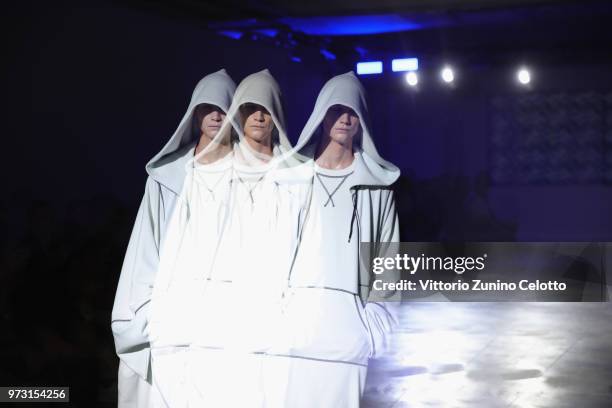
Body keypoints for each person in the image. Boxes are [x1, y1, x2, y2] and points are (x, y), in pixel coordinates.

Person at [265, 71, 401, 407]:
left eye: (353, 111)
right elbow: (270, 251)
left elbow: (388, 260)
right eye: (337, 109)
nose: (345, 118)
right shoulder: (290, 179)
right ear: (321, 113)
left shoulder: (377, 187)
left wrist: (371, 328)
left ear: (362, 121)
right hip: (293, 330)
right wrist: (275, 315)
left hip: (348, 334)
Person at [110, 69, 236, 408]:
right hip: (174, 309)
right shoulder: (167, 176)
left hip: (224, 312)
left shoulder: (251, 174)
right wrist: (142, 313)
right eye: (207, 107)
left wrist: (382, 318)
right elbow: (145, 246)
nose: (215, 115)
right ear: (194, 113)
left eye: (224, 107)